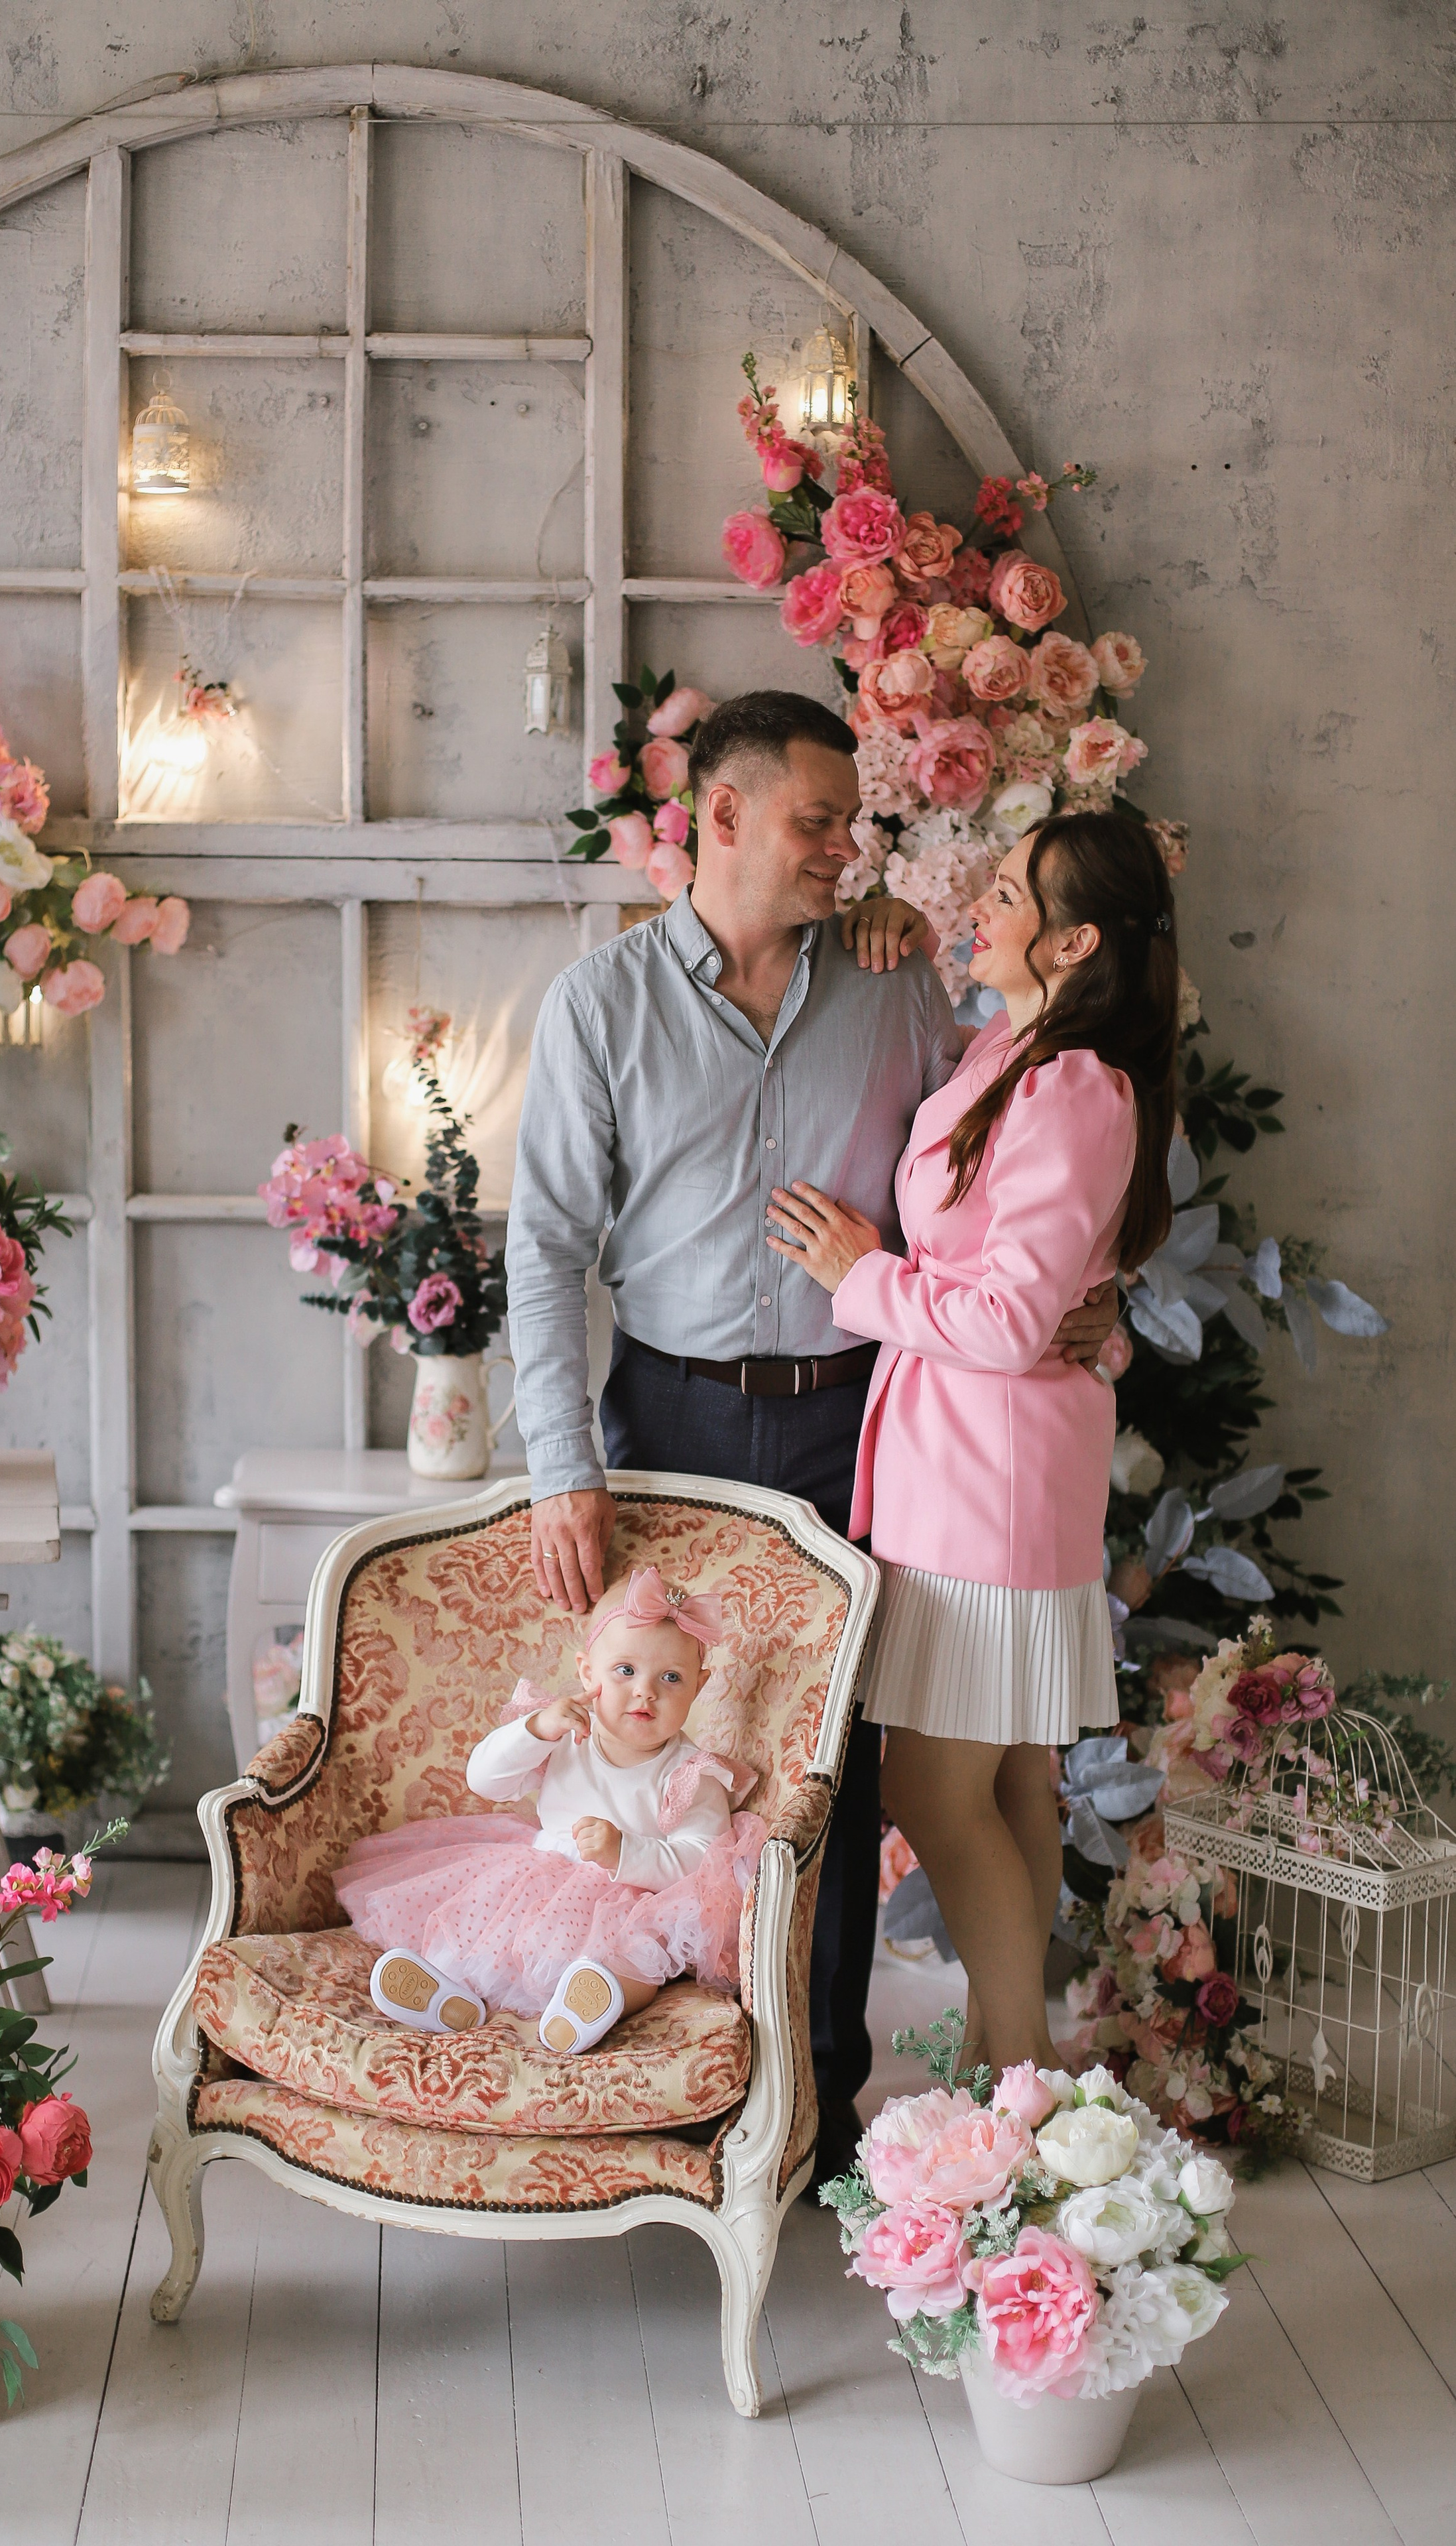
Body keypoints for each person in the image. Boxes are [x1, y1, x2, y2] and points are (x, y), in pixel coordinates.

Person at [505, 692, 1118, 2183]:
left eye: (855, 823)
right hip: (666, 1417)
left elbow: (1003, 1172)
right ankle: (659, 2086)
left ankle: (818, 2107)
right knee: (666, 1750)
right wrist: (558, 1462)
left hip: (867, 1427)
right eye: (819, 823)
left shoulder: (899, 985)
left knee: (833, 1772)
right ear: (718, 819)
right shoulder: (601, 1006)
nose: (851, 852)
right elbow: (543, 1249)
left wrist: (1084, 1302)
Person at [765, 808, 1180, 2078]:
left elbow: (1006, 1320)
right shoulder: (1016, 1050)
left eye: (1009, 892)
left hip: (986, 1475)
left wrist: (862, 1272)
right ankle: (1020, 2071)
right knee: (1003, 1785)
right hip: (975, 1460)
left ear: (1076, 940)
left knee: (935, 1792)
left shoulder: (1072, 1088)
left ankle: (1019, 2074)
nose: (980, 906)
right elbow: (1031, 1289)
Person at [335, 1567, 763, 2055]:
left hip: (634, 1898)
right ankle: (447, 1991)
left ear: (699, 1686)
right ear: (587, 1672)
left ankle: (597, 2000)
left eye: (671, 1677)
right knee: (481, 1932)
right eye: (625, 1671)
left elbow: (704, 1861)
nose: (646, 1692)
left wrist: (626, 1851)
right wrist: (535, 1730)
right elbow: (485, 1781)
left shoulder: (692, 1775)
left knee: (639, 1959)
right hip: (539, 1875)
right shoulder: (564, 1732)